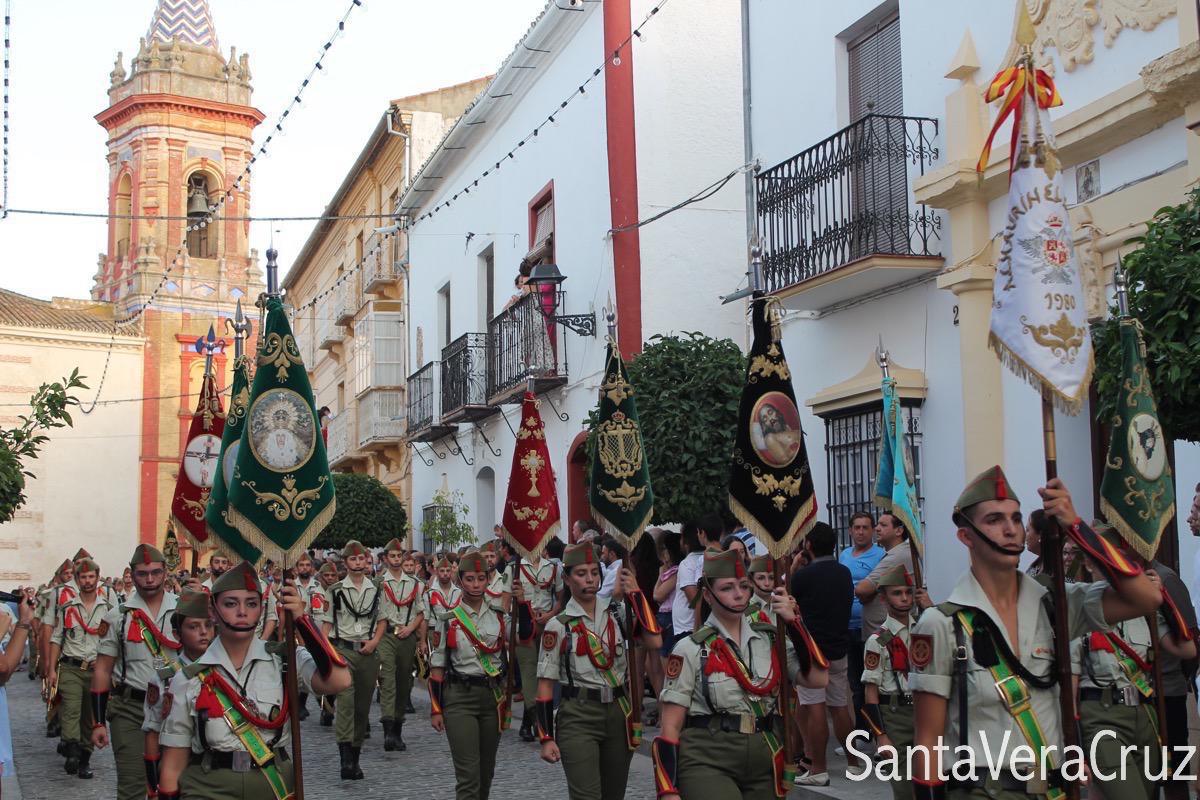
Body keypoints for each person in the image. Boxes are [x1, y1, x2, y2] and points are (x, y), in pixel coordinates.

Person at [910, 467, 1164, 800]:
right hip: (983, 791)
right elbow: (928, 740)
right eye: (994, 520)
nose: (1010, 529)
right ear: (966, 536)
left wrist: (1076, 526)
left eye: (1016, 519)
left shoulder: (1054, 604)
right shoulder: (942, 624)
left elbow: (1147, 597)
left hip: (1052, 789)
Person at [156, 561, 352, 799]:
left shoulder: (284, 659)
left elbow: (339, 680)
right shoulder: (187, 677)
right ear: (213, 611)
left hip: (272, 784)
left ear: (261, 609)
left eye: (251, 604)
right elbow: (173, 764)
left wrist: (303, 620)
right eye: (230, 604)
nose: (242, 612)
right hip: (209, 786)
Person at [653, 549, 830, 800]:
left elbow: (818, 678)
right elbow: (670, 725)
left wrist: (794, 623)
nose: (738, 594)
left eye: (744, 586)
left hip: (764, 755)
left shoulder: (770, 638)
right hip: (708, 757)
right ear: (708, 594)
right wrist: (668, 790)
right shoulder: (690, 649)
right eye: (727, 588)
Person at [534, 542, 662, 799]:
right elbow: (545, 685)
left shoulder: (617, 613)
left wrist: (636, 595)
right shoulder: (558, 626)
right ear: (567, 578)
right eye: (581, 573)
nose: (590, 579)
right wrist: (546, 736)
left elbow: (654, 642)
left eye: (594, 572)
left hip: (618, 712)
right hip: (578, 715)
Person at [91, 544, 180, 800]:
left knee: (176, 785)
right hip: (131, 711)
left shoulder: (184, 610)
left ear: (165, 573)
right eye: (142, 573)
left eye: (155, 572)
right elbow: (103, 669)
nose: (149, 579)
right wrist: (98, 722)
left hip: (176, 709)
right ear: (132, 574)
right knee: (132, 786)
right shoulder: (117, 616)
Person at [428, 550, 509, 800]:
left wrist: (521, 602)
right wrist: (436, 709)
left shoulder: (499, 616)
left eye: (481, 578)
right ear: (459, 580)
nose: (476, 584)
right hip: (459, 698)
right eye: (470, 579)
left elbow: (518, 645)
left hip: (492, 697)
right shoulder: (448, 619)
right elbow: (438, 664)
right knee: (468, 777)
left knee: (486, 773)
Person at [791, 522, 856, 786]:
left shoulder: (804, 577)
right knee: (839, 707)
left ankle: (818, 768)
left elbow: (791, 603)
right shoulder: (843, 573)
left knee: (814, 706)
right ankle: (853, 762)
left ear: (808, 546)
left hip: (811, 653)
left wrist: (793, 569)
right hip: (839, 647)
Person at [320, 539, 386, 779]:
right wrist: (324, 652)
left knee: (362, 707)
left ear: (366, 561)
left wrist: (375, 642)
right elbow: (326, 624)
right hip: (343, 650)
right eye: (353, 559)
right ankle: (345, 762)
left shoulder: (377, 589)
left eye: (361, 558)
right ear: (345, 562)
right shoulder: (335, 590)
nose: (358, 563)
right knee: (346, 704)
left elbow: (382, 620)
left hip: (368, 651)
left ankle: (355, 757)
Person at [142, 589, 212, 798]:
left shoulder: (227, 672)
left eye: (208, 625)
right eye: (193, 626)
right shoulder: (164, 679)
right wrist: (154, 785)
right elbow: (152, 732)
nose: (203, 632)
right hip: (176, 768)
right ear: (176, 633)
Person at [47, 556, 111, 779]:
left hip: (96, 671)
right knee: (71, 708)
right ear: (77, 579)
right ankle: (72, 751)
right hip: (71, 666)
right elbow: (57, 639)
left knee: (89, 717)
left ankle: (84, 759)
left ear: (97, 578)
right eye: (83, 577)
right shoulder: (67, 608)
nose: (87, 581)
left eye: (91, 576)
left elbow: (114, 642)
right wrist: (52, 669)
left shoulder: (109, 610)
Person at [860, 565, 917, 800]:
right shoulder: (878, 641)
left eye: (908, 592)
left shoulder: (925, 630)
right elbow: (870, 691)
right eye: (897, 593)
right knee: (904, 786)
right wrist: (880, 735)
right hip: (894, 713)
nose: (904, 598)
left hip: (923, 711)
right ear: (883, 598)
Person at [377, 537, 425, 753]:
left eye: (399, 556)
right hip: (386, 636)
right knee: (387, 680)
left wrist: (412, 629)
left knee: (404, 681)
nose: (396, 560)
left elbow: (420, 612)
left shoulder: (414, 583)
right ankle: (388, 730)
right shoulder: (378, 583)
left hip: (407, 635)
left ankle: (397, 727)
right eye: (392, 556)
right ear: (385, 559)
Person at [511, 546, 562, 742]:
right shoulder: (514, 567)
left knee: (545, 672)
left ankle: (527, 723)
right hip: (523, 626)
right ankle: (537, 721)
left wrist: (550, 615)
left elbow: (559, 599)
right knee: (528, 671)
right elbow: (507, 604)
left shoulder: (552, 568)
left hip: (547, 625)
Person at [840, 511, 885, 729]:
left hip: (871, 628)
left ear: (873, 531)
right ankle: (861, 733)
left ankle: (880, 732)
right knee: (855, 684)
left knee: (873, 682)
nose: (860, 531)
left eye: (865, 527)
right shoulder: (844, 554)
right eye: (856, 527)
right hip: (847, 627)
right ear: (850, 530)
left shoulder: (881, 555)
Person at [671, 523, 704, 650]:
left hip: (688, 627)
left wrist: (697, 628)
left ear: (686, 541)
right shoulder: (702, 558)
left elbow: (695, 600)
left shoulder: (687, 564)